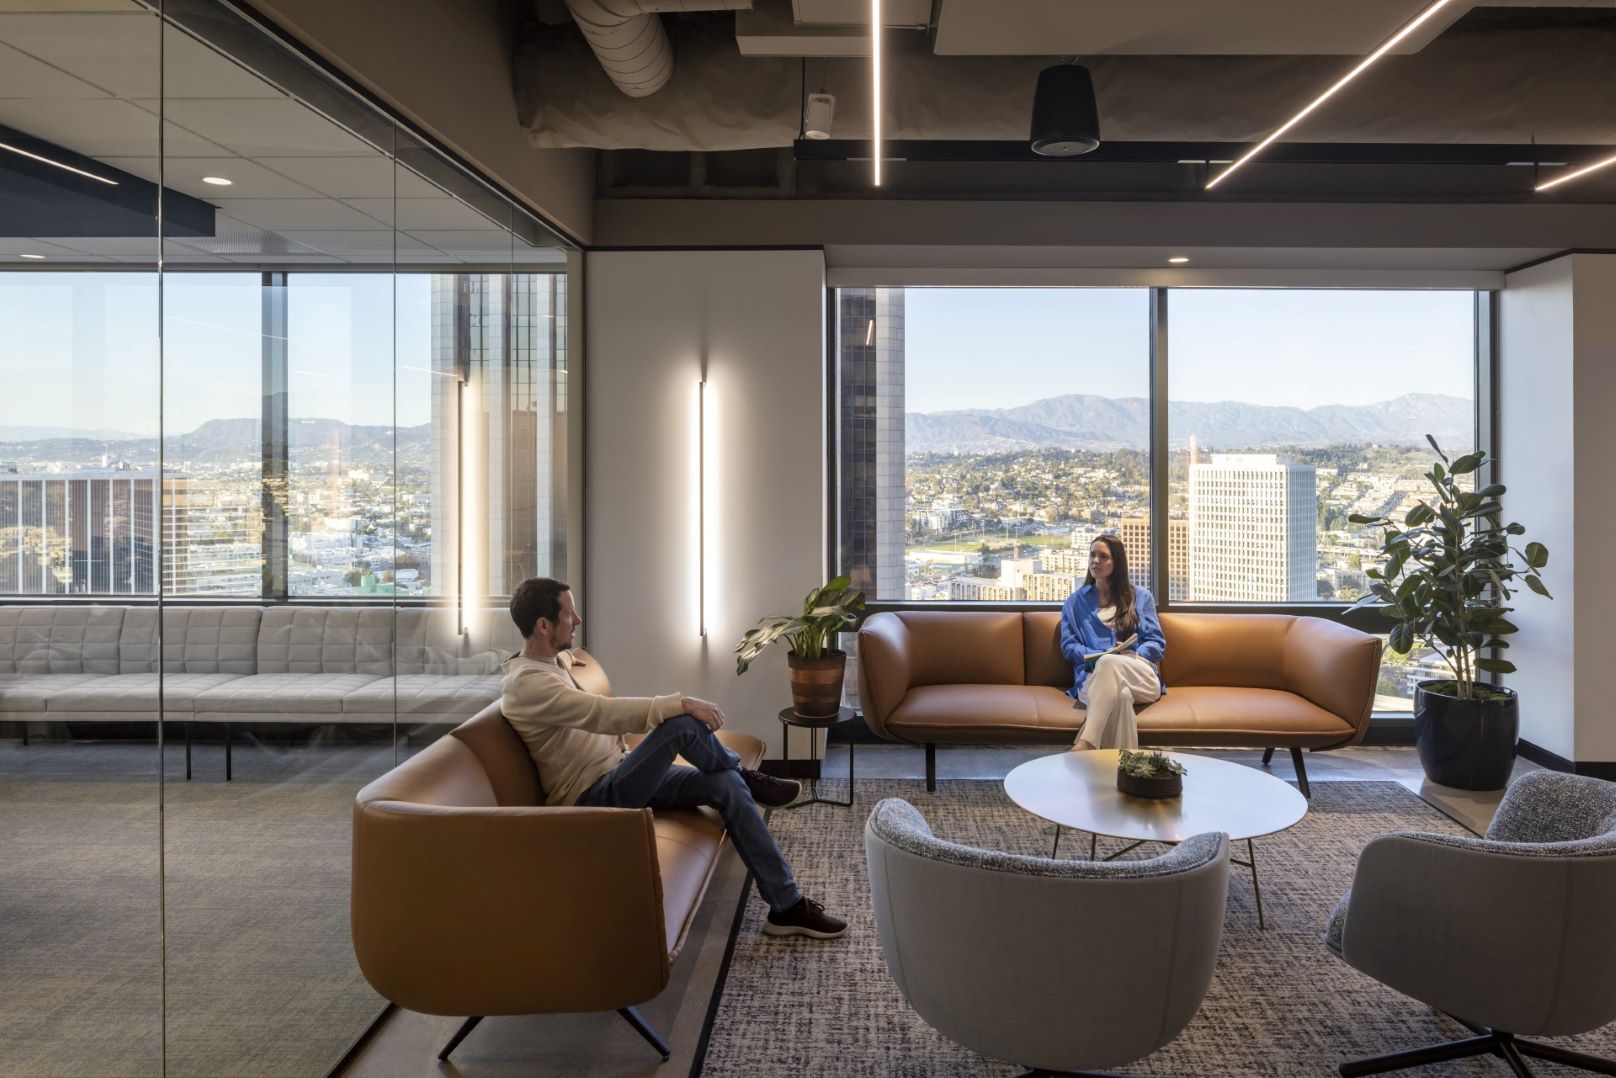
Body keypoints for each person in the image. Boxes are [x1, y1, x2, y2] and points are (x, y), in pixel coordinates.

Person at [500, 576, 848, 940]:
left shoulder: (551, 661)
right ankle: (747, 776)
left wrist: (570, 654)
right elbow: (598, 713)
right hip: (591, 798)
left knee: (725, 784)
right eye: (570, 614)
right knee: (681, 724)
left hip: (620, 772)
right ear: (543, 626)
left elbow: (573, 672)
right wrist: (681, 702)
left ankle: (786, 905)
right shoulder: (528, 684)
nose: (579, 621)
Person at [1058, 534, 1167, 751]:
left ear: (1117, 563)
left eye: (1103, 557)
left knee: (1110, 663)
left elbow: (1156, 642)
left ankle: (1085, 745)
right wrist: (1099, 655)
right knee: (1121, 695)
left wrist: (1130, 654)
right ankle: (1120, 769)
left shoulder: (1141, 597)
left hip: (1140, 676)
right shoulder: (1075, 602)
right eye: (1092, 555)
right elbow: (1068, 646)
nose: (1095, 561)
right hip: (1093, 680)